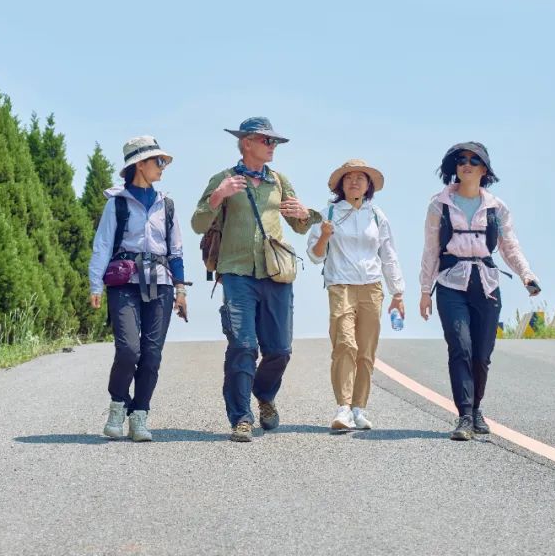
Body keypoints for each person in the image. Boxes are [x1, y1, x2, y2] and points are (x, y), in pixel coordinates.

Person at [191, 117, 321, 443]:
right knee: (243, 345)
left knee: (280, 350)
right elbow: (197, 223)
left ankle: (264, 395)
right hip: (236, 273)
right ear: (246, 142)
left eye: (274, 142)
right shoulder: (222, 179)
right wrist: (217, 197)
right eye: (266, 140)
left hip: (277, 274)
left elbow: (301, 226)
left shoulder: (279, 181)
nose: (272, 146)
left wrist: (305, 214)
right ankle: (241, 418)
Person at [418, 142, 541, 441]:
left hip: (485, 284)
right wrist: (424, 290)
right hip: (450, 282)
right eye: (461, 160)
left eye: (474, 160)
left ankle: (476, 410)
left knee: (482, 354)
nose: (467, 164)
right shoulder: (439, 204)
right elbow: (431, 249)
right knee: (460, 347)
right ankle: (463, 416)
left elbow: (509, 246)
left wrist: (527, 275)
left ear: (484, 170)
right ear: (454, 167)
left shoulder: (497, 207)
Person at [88, 136, 188, 442]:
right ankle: (118, 405)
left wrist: (181, 290)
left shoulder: (166, 204)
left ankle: (140, 415)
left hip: (160, 283)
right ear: (139, 165)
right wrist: (95, 284)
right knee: (128, 349)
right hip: (124, 283)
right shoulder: (116, 204)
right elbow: (103, 244)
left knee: (152, 353)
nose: (162, 167)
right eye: (157, 162)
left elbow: (176, 251)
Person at [308, 159, 405, 431]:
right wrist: (324, 236)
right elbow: (314, 256)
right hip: (340, 285)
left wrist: (397, 292)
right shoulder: (327, 213)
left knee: (365, 351)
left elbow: (389, 255)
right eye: (349, 178)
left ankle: (359, 409)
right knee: (344, 344)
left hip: (372, 288)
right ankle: (343, 408)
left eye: (361, 178)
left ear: (369, 185)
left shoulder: (377, 215)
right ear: (340, 184)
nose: (354, 182)